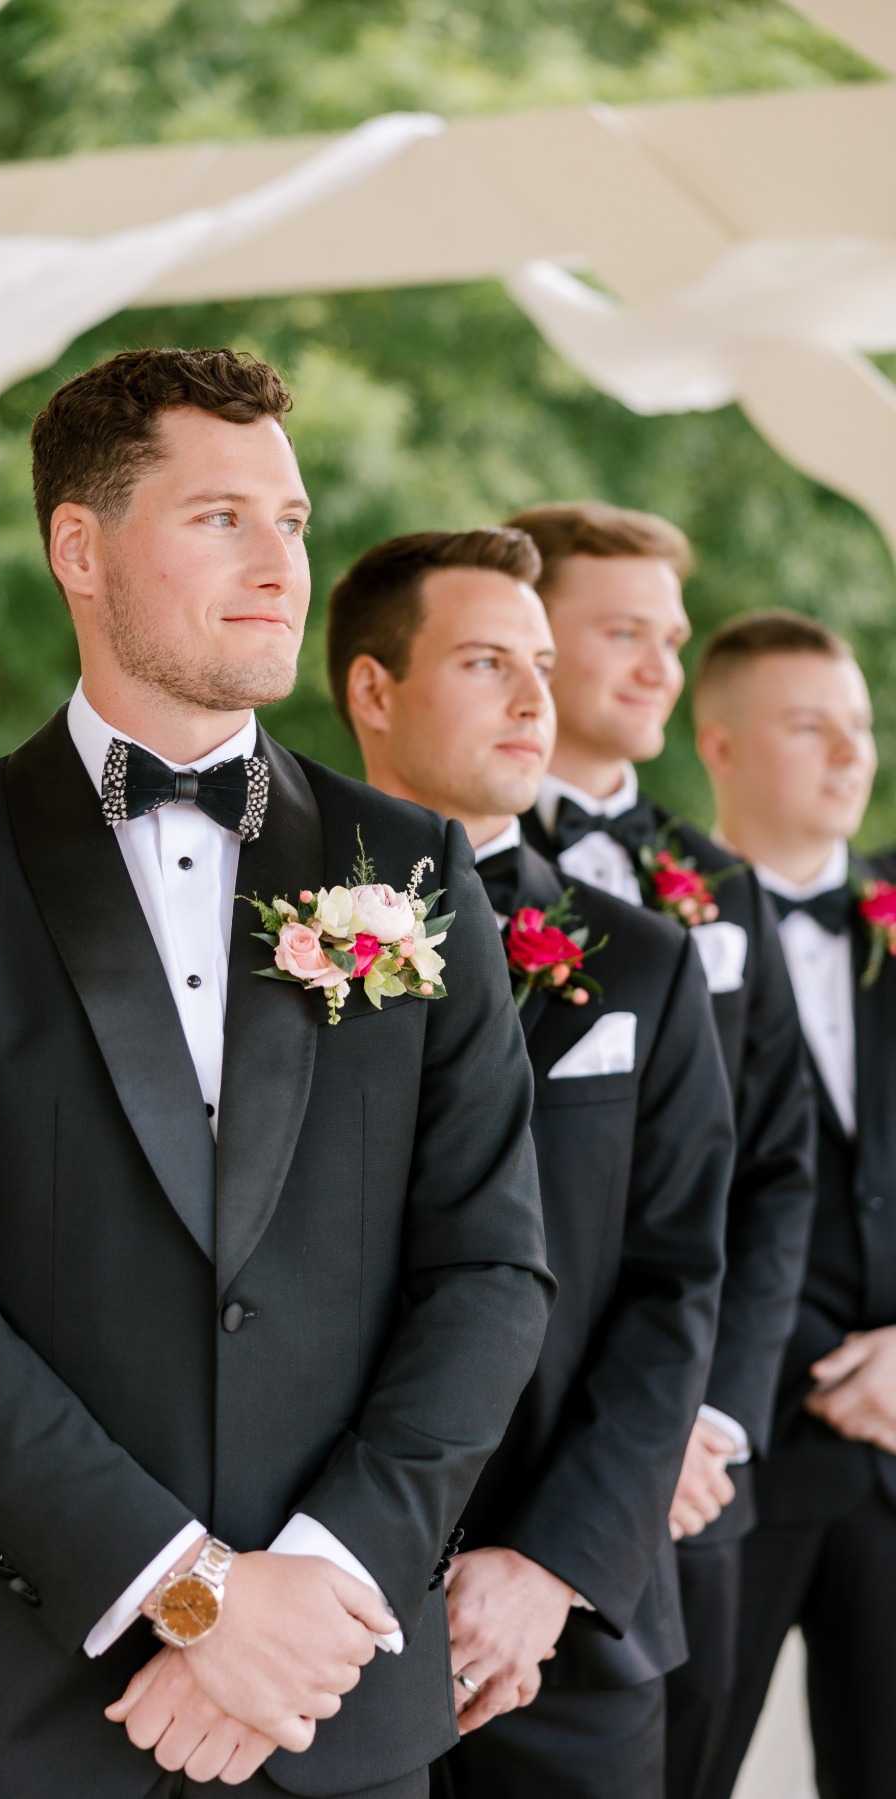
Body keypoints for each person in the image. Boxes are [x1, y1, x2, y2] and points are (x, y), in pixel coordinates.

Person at [0, 349, 555, 1799]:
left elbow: (491, 1268)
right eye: (220, 516)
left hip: (333, 1699)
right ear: (77, 548)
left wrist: (312, 1594)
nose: (278, 560)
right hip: (12, 1708)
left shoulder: (410, 865)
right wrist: (192, 1592)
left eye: (293, 519)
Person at [326, 527, 734, 1799]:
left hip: (570, 1626)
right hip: (310, 1610)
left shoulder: (647, 964)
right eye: (488, 660)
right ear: (375, 690)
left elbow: (675, 1283)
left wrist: (547, 1563)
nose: (534, 701)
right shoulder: (254, 945)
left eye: (545, 664)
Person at [507, 503, 815, 1799]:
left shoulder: (718, 881)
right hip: (510, 1466)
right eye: (620, 632)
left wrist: (713, 1420)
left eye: (671, 638)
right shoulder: (418, 869)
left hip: (692, 1476)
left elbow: (774, 1168)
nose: (657, 668)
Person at [690, 611, 896, 1799]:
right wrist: (828, 1364)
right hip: (734, 1457)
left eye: (860, 725)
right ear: (718, 744)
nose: (849, 752)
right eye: (811, 725)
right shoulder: (653, 928)